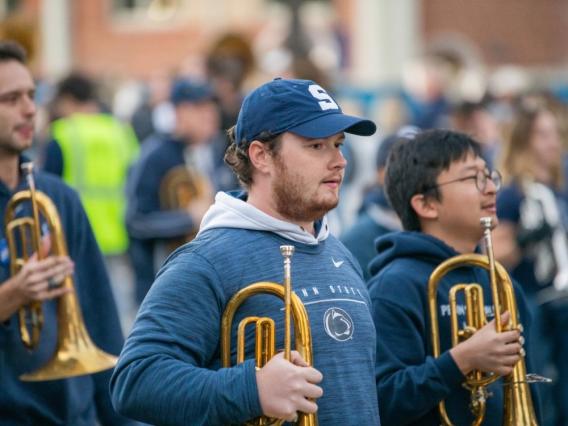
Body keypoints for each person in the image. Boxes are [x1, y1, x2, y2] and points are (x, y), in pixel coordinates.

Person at [110, 77, 381, 425]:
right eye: (317, 146)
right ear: (261, 156)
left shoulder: (339, 252)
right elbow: (135, 380)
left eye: (338, 144)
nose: (339, 161)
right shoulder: (207, 260)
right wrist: (252, 389)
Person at [368, 129, 541, 425]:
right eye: (472, 178)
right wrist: (460, 361)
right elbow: (382, 401)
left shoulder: (501, 282)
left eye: (489, 176)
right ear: (425, 204)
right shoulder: (393, 287)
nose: (490, 188)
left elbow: (523, 383)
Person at [0, 41, 130, 425]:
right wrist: (13, 295)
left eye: (30, 95)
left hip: (76, 415)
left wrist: (120, 418)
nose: (29, 109)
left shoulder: (58, 198)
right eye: (10, 99)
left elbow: (101, 320)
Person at [125, 78, 236, 304]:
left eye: (211, 106)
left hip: (214, 280)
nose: (209, 114)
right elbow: (136, 220)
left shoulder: (220, 152)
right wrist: (188, 218)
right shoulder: (155, 155)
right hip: (166, 284)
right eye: (198, 107)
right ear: (178, 113)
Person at [494, 101, 568, 426]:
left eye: (555, 134)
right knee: (546, 393)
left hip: (564, 304)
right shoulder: (512, 195)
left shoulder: (559, 191)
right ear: (524, 141)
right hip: (536, 306)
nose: (552, 142)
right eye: (542, 135)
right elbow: (498, 254)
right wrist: (525, 239)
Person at [340, 128, 418, 279]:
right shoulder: (358, 238)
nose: (418, 174)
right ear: (381, 173)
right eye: (406, 164)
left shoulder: (433, 225)